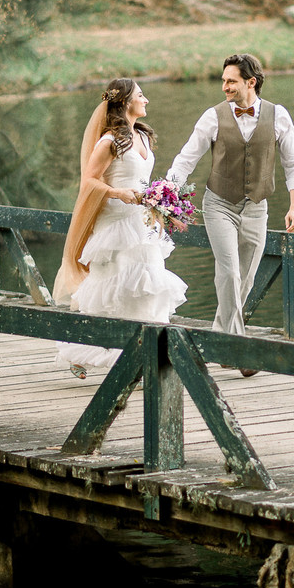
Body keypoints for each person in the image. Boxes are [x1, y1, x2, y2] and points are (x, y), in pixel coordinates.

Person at [166, 53, 294, 361]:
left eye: (231, 81)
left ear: (250, 82)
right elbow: (186, 159)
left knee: (246, 278)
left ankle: (219, 340)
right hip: (219, 204)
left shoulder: (278, 116)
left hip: (257, 207)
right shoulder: (213, 116)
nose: (225, 87)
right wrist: (166, 195)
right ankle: (240, 350)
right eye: (224, 81)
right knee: (229, 273)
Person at [52, 78, 188, 379]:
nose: (146, 99)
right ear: (126, 101)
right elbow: (89, 181)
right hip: (115, 224)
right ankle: (82, 350)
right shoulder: (110, 141)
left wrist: (159, 202)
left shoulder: (142, 136)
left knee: (149, 282)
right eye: (141, 95)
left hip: (141, 222)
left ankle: (147, 357)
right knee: (114, 288)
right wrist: (117, 192)